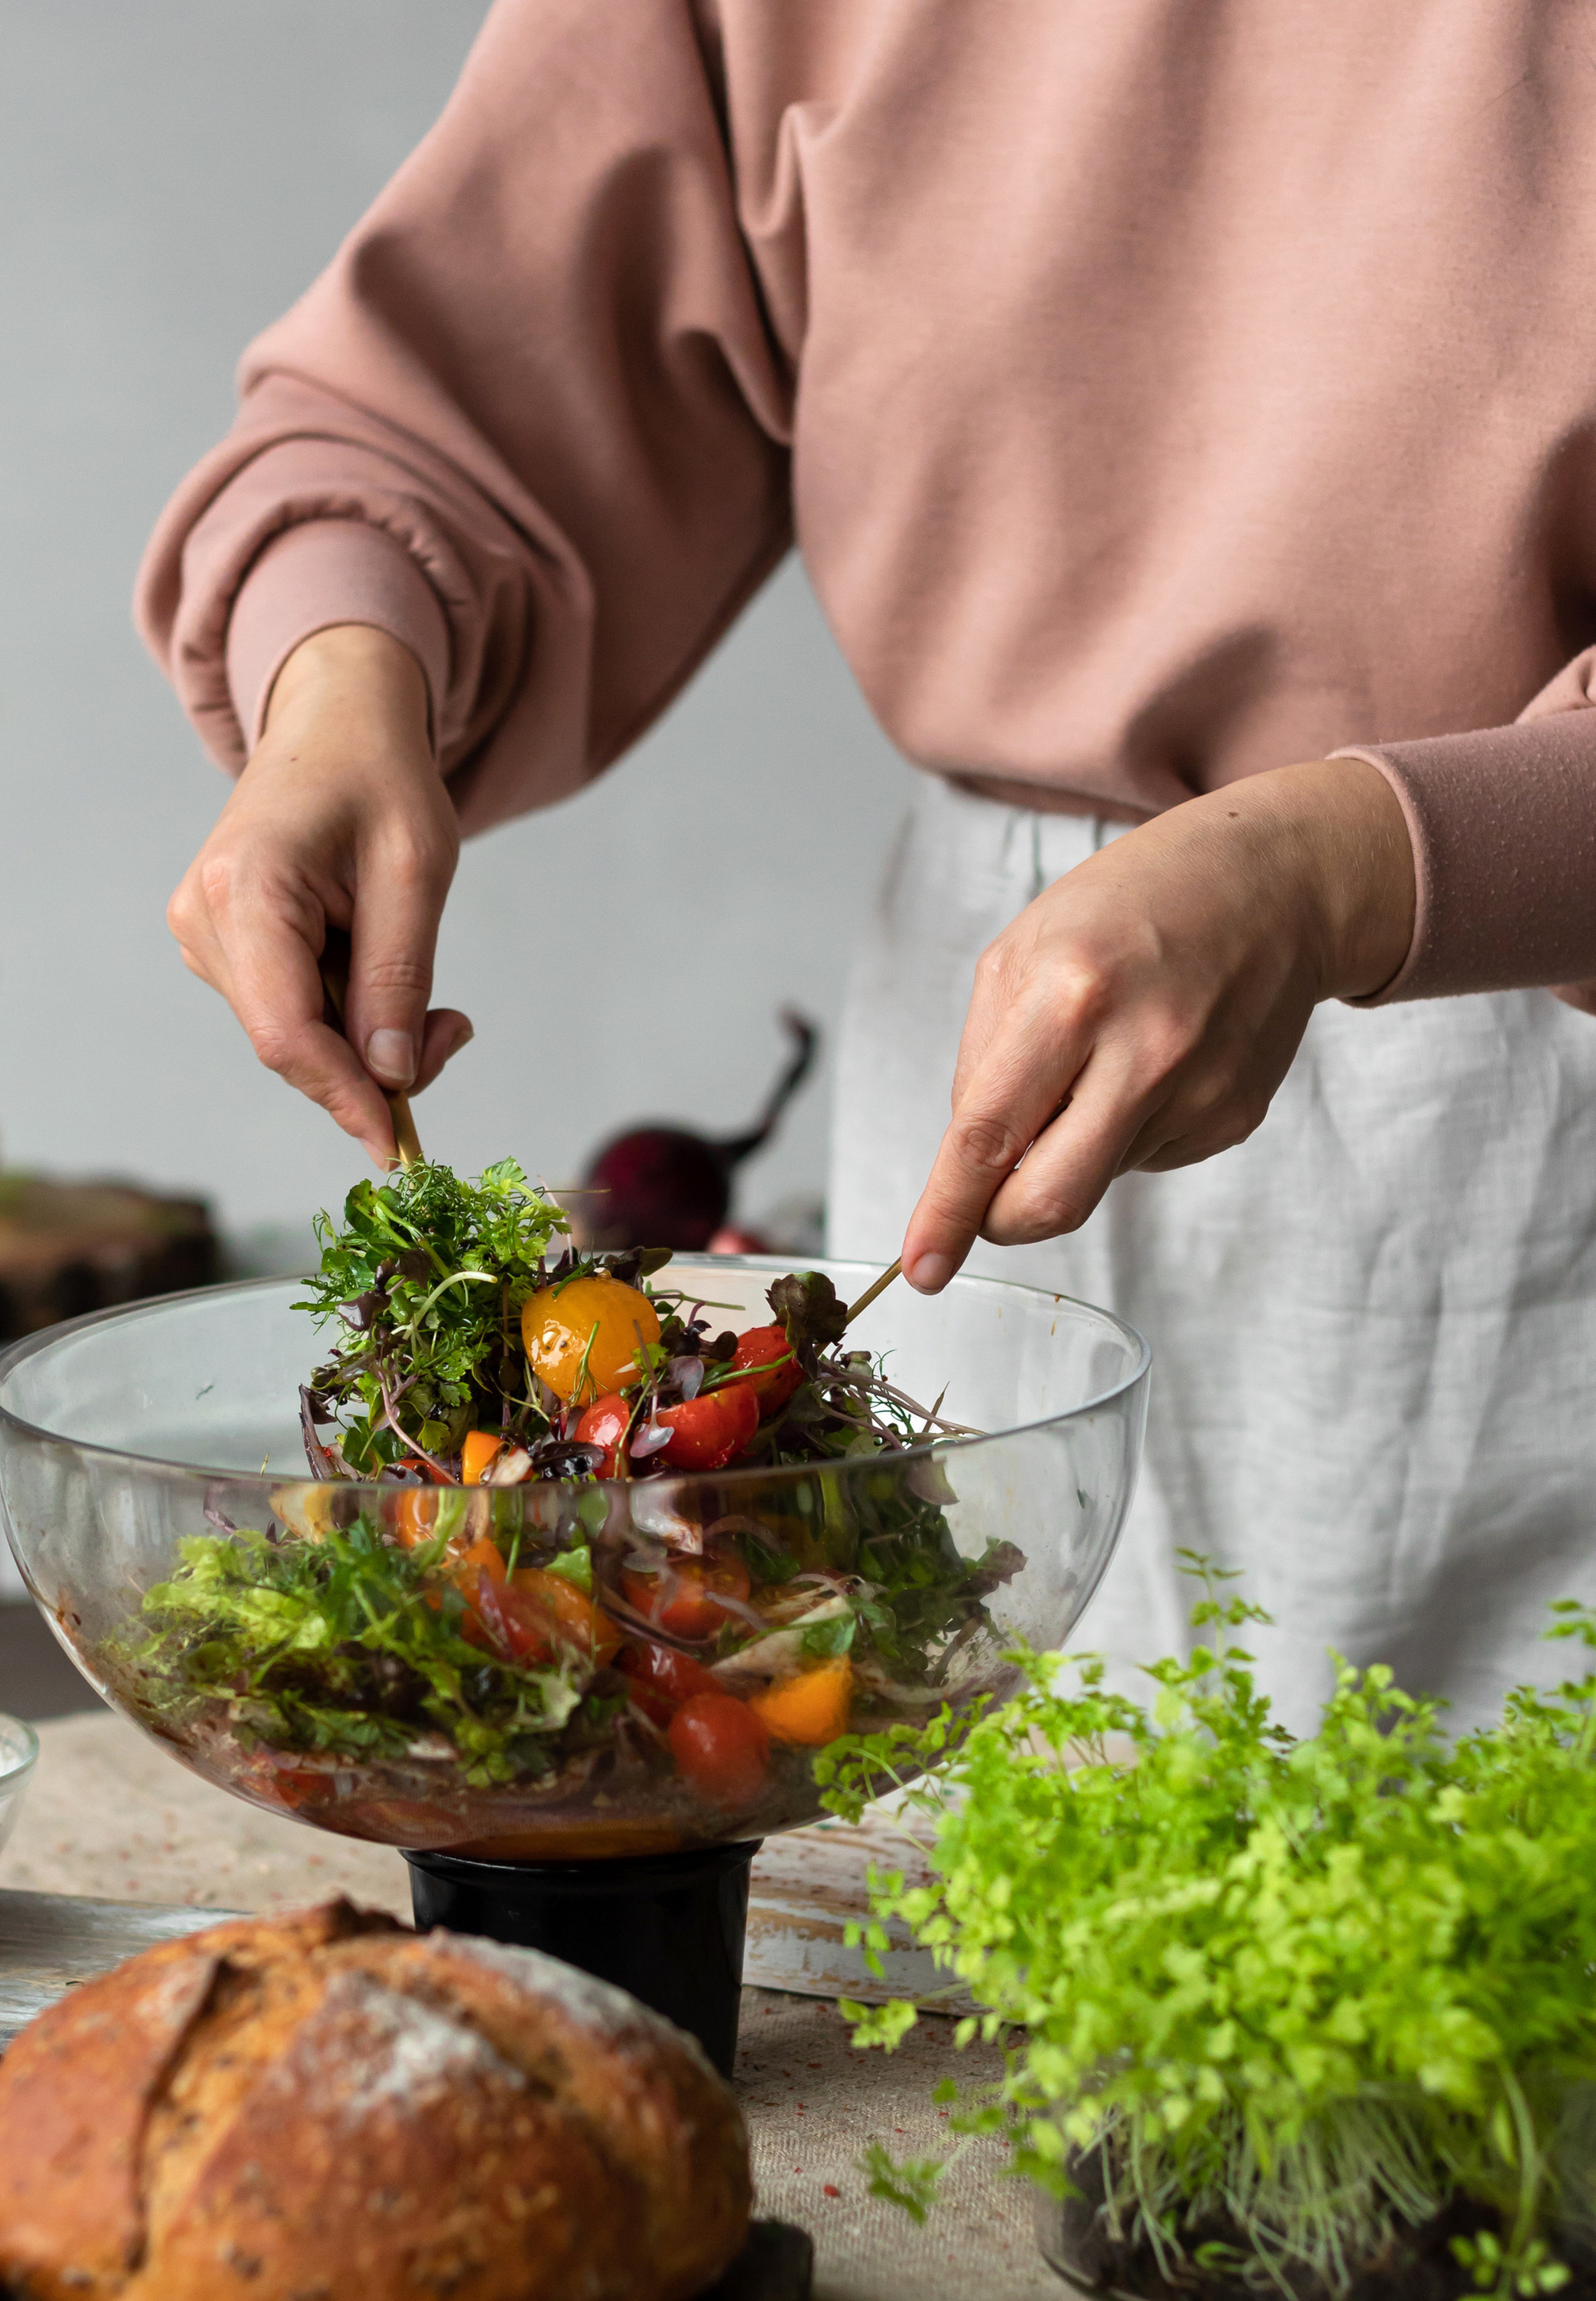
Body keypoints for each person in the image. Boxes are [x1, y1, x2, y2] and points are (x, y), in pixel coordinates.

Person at [135, 0, 1596, 1732]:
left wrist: (1353, 867)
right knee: (933, 1842)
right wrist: (336, 683)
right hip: (988, 1079)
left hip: (1536, 1074)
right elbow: (457, 393)